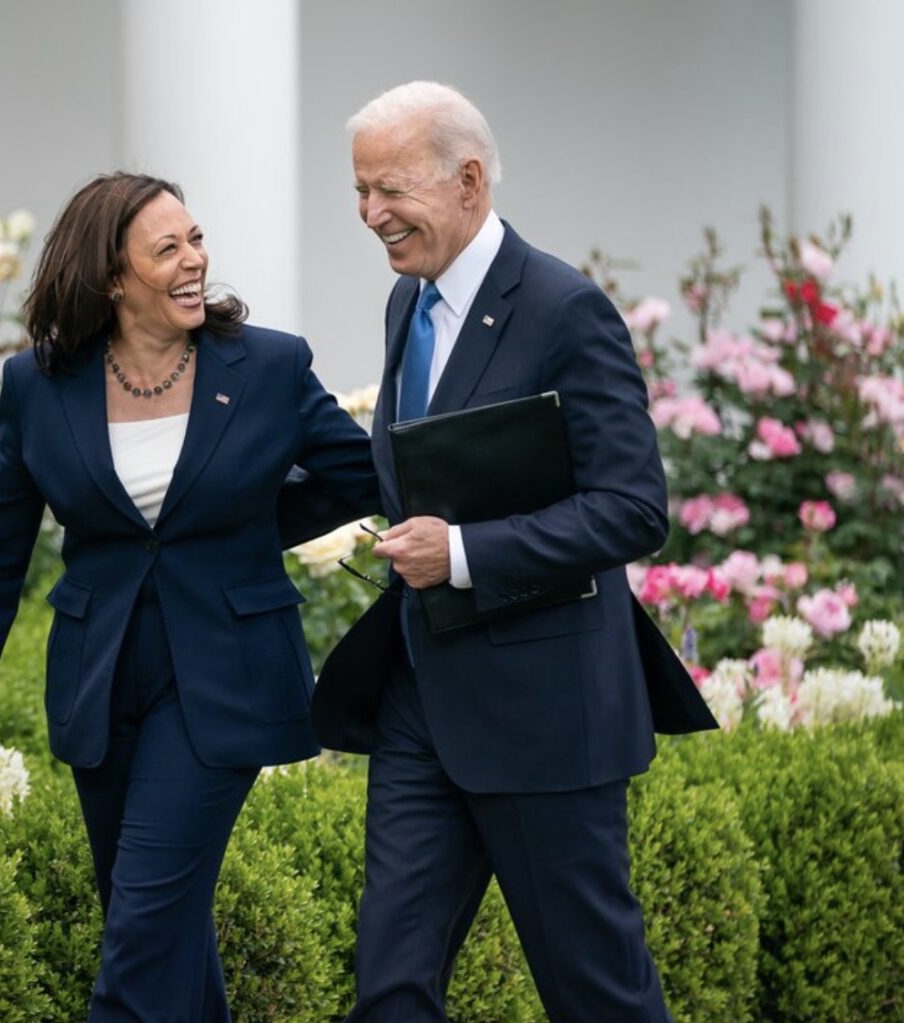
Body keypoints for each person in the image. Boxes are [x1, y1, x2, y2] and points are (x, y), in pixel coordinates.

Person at [298, 82, 717, 1022]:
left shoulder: (567, 310)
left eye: (390, 190)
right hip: (421, 703)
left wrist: (465, 552)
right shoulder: (408, 304)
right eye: (359, 190)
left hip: (546, 711)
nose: (371, 214)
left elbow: (632, 508)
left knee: (597, 995)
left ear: (470, 181)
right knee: (391, 988)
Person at [0, 171, 378, 1022]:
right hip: (102, 680)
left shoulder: (269, 365)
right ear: (111, 277)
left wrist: (247, 527)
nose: (195, 259)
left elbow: (360, 474)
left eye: (196, 239)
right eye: (168, 248)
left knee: (139, 937)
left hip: (224, 677)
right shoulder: (38, 384)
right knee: (160, 929)